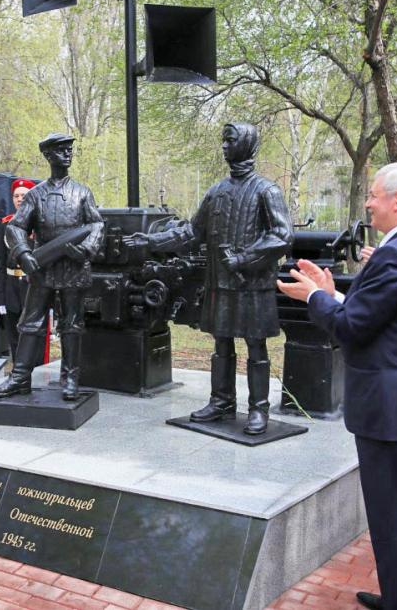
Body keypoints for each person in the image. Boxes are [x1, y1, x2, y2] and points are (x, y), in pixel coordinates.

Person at [277, 162, 397, 610]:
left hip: (392, 406)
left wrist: (313, 298)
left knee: (395, 519)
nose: (368, 202)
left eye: (374, 194)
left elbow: (354, 330)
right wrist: (332, 291)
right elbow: (385, 316)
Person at [124, 123, 293, 435]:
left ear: (247, 145)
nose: (225, 146)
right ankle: (221, 401)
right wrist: (151, 242)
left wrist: (244, 258)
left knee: (255, 346)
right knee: (221, 343)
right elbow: (191, 232)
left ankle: (258, 408)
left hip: (252, 284)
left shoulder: (267, 190)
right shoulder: (216, 191)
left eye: (230, 140)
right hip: (219, 283)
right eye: (224, 141)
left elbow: (282, 236)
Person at [0, 133, 104, 400]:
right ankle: (19, 377)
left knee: (72, 324)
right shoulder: (35, 195)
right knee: (30, 323)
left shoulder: (82, 192)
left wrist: (87, 249)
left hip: (74, 268)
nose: (67, 155)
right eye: (61, 151)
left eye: (69, 150)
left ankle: (71, 378)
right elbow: (16, 227)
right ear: (48, 156)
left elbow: (97, 224)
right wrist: (23, 253)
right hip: (43, 268)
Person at [0, 178, 36, 359]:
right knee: (14, 332)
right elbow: (0, 263)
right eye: (16, 196)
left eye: (24, 195)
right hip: (11, 285)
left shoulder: (41, 224)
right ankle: (17, 369)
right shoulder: (6, 224)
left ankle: (35, 370)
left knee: (34, 332)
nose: (20, 199)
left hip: (34, 285)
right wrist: (0, 299)